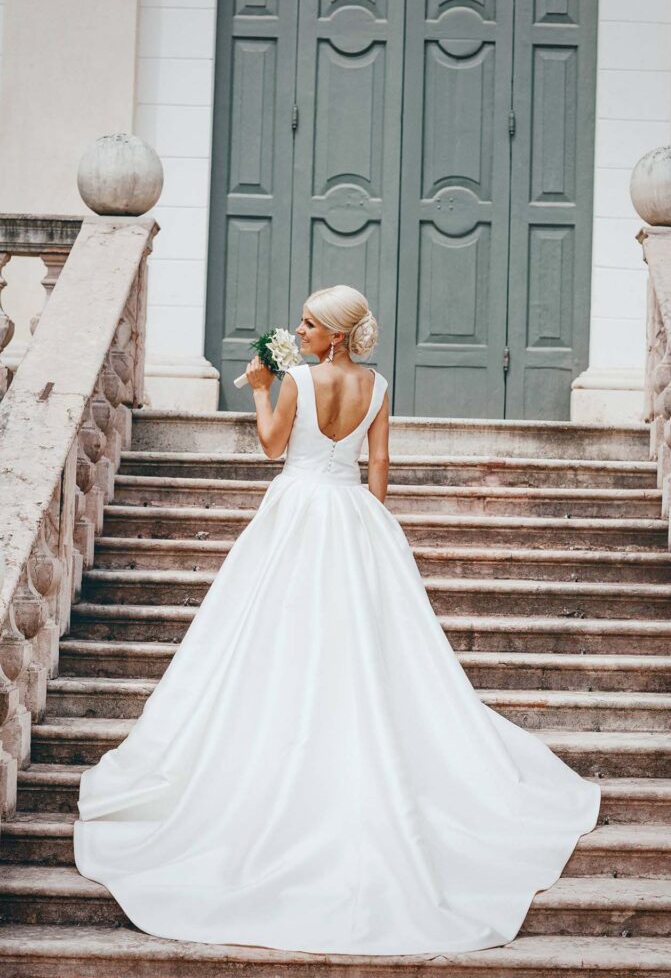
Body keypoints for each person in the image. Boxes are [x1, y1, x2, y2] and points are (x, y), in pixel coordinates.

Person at [73, 284, 600, 956]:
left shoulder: (295, 378)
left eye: (309, 322)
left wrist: (260, 386)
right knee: (360, 637)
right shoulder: (378, 387)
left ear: (337, 334)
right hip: (353, 514)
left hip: (296, 509)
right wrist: (374, 525)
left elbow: (270, 448)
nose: (300, 329)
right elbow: (378, 466)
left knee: (274, 630)